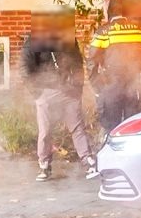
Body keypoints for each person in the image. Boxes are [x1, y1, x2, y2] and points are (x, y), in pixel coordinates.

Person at [86, 0, 141, 175]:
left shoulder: (105, 31)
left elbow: (92, 60)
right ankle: (135, 167)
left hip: (112, 86)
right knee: (133, 127)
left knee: (112, 128)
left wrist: (97, 87)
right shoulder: (139, 30)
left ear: (108, 10)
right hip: (134, 86)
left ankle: (112, 168)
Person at [21, 11, 92, 181]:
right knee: (46, 131)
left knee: (76, 128)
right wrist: (37, 94)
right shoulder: (33, 42)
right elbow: (25, 69)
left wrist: (77, 87)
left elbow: (77, 62)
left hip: (68, 92)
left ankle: (88, 161)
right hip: (46, 93)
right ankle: (44, 165)